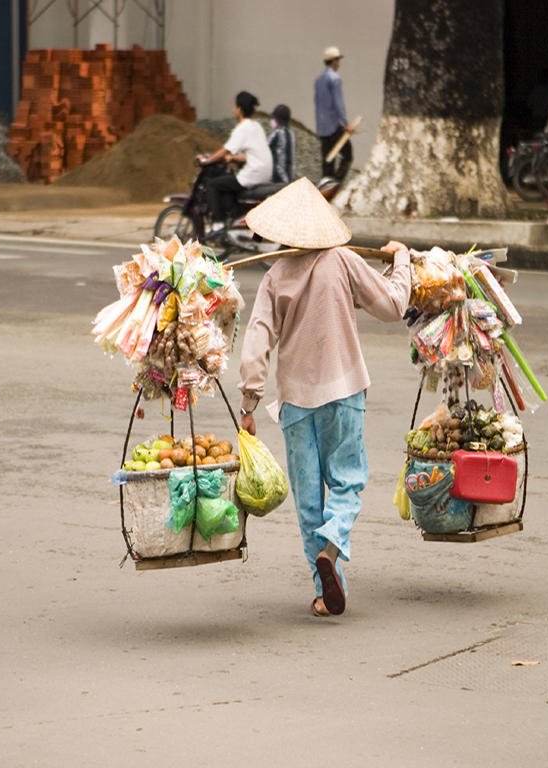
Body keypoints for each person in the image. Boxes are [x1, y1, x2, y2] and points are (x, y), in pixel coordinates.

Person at [237, 178, 411, 618]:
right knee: (348, 480)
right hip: (344, 391)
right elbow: (393, 306)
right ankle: (330, 552)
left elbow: (257, 340)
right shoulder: (343, 261)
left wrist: (249, 405)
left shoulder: (275, 276)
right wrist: (403, 259)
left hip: (295, 402)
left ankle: (323, 588)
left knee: (308, 500)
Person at [198, 91, 273, 227]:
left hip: (252, 174)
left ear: (239, 109)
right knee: (228, 183)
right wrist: (234, 158)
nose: (233, 109)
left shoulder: (242, 128)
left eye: (234, 106)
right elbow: (252, 154)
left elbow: (225, 150)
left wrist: (206, 160)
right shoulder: (257, 127)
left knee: (211, 184)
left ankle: (218, 224)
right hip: (264, 173)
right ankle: (231, 218)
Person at [314, 46, 355, 182]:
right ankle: (336, 184)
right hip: (334, 126)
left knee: (327, 161)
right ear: (334, 61)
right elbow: (339, 104)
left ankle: (326, 188)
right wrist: (347, 124)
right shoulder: (335, 79)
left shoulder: (319, 80)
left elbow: (317, 103)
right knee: (347, 155)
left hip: (322, 128)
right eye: (338, 60)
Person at [268, 104, 297, 184]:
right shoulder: (292, 135)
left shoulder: (277, 134)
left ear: (277, 119)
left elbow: (266, 150)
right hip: (290, 177)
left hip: (278, 178)